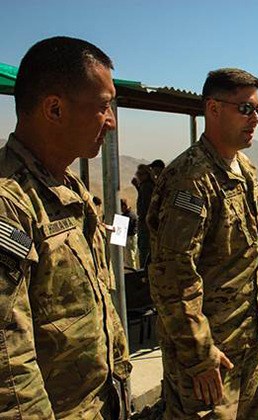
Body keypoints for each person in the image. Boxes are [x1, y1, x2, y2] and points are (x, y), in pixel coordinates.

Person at [0, 36, 131, 418]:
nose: (112, 121)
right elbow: (9, 364)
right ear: (54, 109)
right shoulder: (11, 203)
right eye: (104, 107)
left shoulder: (68, 186)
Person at [147, 68, 258, 419]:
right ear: (213, 109)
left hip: (252, 345)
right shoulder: (190, 179)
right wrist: (199, 355)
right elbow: (173, 277)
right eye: (245, 109)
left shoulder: (244, 169)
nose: (256, 119)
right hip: (211, 358)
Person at [133, 164, 154, 266]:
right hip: (146, 222)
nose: (138, 176)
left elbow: (146, 205)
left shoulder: (147, 187)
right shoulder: (145, 186)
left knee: (144, 250)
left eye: (140, 174)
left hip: (146, 223)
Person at [120, 198, 139, 269]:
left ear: (124, 206)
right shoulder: (131, 214)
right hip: (130, 239)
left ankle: (132, 275)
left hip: (129, 239)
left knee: (130, 260)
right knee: (129, 259)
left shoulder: (129, 216)